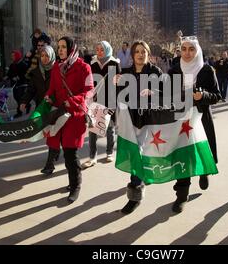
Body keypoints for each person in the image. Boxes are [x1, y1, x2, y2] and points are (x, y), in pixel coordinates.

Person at [167, 37, 222, 213]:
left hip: (201, 119)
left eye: (191, 49)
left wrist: (203, 96)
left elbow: (217, 96)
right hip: (180, 120)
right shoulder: (174, 70)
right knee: (183, 156)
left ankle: (204, 171)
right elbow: (166, 93)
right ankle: (182, 195)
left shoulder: (207, 70)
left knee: (201, 151)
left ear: (197, 51)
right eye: (184, 49)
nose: (187, 53)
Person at [114, 40, 164, 215]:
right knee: (134, 153)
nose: (141, 55)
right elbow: (117, 97)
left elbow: (166, 94)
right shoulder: (125, 73)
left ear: (148, 54)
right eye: (137, 52)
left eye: (144, 51)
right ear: (132, 55)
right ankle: (142, 176)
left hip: (148, 120)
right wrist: (115, 83)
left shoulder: (155, 72)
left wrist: (153, 93)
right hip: (128, 120)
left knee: (137, 153)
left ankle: (135, 196)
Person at [43, 36, 93, 203]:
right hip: (59, 115)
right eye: (59, 47)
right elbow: (52, 89)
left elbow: (89, 92)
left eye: (64, 47)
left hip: (74, 117)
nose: (61, 50)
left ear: (71, 48)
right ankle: (72, 181)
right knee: (65, 152)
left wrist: (71, 102)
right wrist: (49, 97)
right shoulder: (56, 67)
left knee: (71, 153)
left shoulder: (84, 67)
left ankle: (75, 185)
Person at [82, 41, 121, 169]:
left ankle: (109, 152)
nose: (99, 52)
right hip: (96, 100)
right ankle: (92, 157)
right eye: (97, 49)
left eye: (102, 49)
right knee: (93, 130)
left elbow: (119, 84)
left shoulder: (114, 63)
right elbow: (88, 81)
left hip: (110, 99)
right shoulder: (92, 64)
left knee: (110, 128)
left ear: (107, 50)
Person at [20, 45, 56, 115]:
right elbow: (31, 90)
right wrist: (24, 102)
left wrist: (53, 100)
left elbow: (60, 90)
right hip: (40, 107)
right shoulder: (36, 72)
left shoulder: (57, 70)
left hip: (54, 108)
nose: (44, 58)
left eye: (47, 56)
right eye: (42, 56)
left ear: (51, 56)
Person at [6, 50, 30, 118]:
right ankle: (27, 105)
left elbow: (26, 74)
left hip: (22, 84)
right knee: (16, 97)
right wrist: (7, 76)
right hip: (14, 84)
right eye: (11, 56)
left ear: (17, 56)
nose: (12, 57)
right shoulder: (12, 65)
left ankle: (19, 112)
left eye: (13, 56)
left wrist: (18, 77)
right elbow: (10, 73)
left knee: (19, 98)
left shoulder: (23, 64)